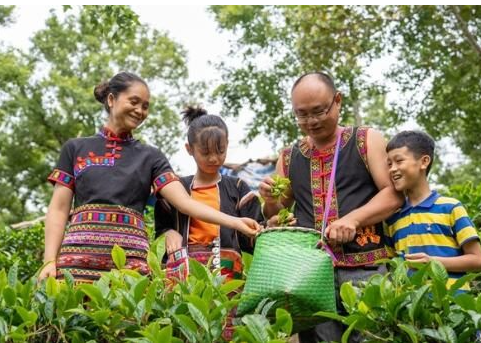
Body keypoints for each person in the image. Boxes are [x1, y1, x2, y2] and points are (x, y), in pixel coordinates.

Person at [38, 72, 259, 283]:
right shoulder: (75, 149)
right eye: (134, 102)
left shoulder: (151, 156)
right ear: (112, 99)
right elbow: (58, 209)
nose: (140, 110)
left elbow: (185, 202)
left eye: (145, 106)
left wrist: (235, 222)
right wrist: (49, 261)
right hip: (76, 266)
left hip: (132, 269)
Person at [258, 71, 403, 342]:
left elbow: (393, 195)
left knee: (372, 335)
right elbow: (276, 215)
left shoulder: (365, 140)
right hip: (312, 276)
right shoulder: (289, 158)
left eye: (318, 111)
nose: (311, 121)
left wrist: (354, 219)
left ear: (337, 101)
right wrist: (269, 200)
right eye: (302, 115)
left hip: (366, 269)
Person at [156, 106, 263, 280]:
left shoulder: (237, 187)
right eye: (205, 152)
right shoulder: (177, 189)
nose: (214, 158)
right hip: (183, 273)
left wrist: (269, 223)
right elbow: (161, 227)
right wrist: (168, 233)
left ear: (227, 144)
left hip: (227, 273)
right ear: (189, 149)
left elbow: (253, 234)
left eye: (220, 151)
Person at [384, 130, 481, 290]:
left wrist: (432, 262)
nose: (392, 169)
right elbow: (392, 267)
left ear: (424, 162)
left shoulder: (451, 207)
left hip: (453, 307)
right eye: (389, 164)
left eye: (399, 161)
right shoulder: (392, 219)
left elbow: (478, 260)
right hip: (411, 310)